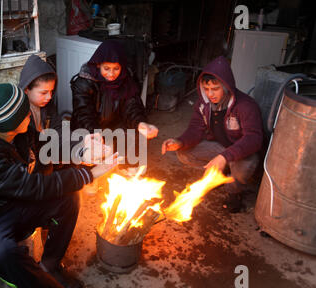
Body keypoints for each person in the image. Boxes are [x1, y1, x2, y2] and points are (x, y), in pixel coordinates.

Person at [0, 83, 119, 288]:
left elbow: (46, 147)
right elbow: (34, 187)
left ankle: (50, 264)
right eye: (25, 113)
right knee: (4, 254)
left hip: (14, 202)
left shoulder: (15, 131)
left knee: (68, 199)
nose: (30, 115)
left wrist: (82, 151)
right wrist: (89, 174)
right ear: (12, 123)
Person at [161, 56, 264, 213]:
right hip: (221, 147)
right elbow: (195, 129)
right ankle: (221, 176)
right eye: (206, 88)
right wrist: (179, 141)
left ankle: (234, 192)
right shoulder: (204, 104)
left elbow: (254, 138)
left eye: (215, 89)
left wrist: (224, 157)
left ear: (226, 86)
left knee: (245, 165)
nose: (210, 94)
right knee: (184, 152)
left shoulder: (245, 106)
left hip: (242, 151)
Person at [70, 39, 158, 176]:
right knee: (90, 147)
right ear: (98, 65)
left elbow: (132, 106)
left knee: (135, 131)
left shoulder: (125, 80)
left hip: (113, 126)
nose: (111, 74)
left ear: (122, 66)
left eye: (116, 68)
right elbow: (83, 113)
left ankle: (127, 171)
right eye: (107, 69)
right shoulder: (84, 82)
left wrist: (141, 123)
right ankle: (88, 176)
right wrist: (94, 133)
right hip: (89, 128)